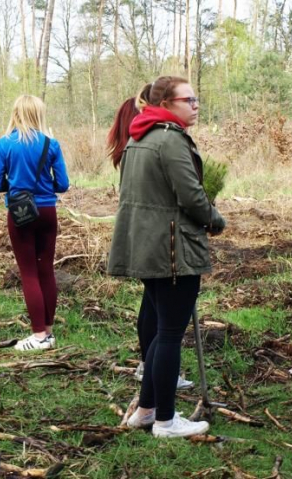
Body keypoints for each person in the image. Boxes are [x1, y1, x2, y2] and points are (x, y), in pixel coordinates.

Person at [108, 76, 225, 438]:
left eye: (196, 98)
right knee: (171, 333)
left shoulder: (137, 137)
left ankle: (146, 410)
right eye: (189, 99)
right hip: (172, 249)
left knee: (162, 330)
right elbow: (190, 195)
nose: (196, 104)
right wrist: (214, 219)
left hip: (147, 246)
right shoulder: (169, 139)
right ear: (166, 103)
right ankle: (166, 420)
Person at [106, 93, 194, 391]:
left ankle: (150, 371)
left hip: (143, 233)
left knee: (152, 305)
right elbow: (188, 195)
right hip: (158, 237)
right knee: (164, 321)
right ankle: (155, 374)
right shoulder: (157, 135)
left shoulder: (136, 137)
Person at [0, 95, 69, 351]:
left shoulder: (5, 144)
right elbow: (63, 184)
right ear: (39, 114)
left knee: (28, 272)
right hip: (47, 210)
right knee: (46, 269)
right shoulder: (51, 143)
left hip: (20, 212)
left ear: (15, 114)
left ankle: (37, 337)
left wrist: (13, 184)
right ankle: (48, 332)